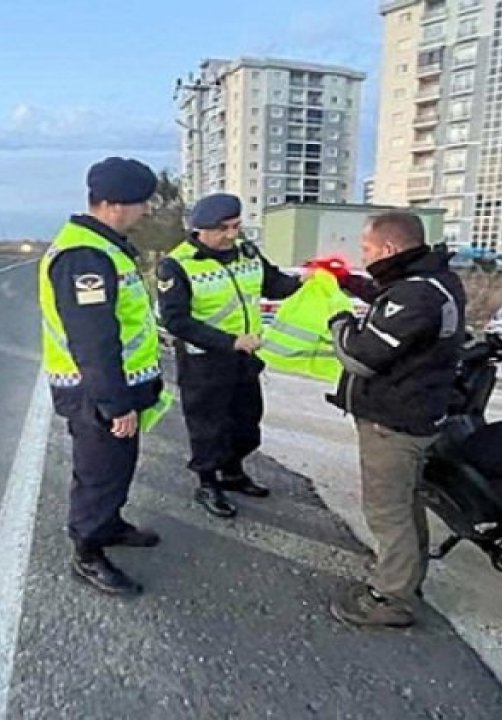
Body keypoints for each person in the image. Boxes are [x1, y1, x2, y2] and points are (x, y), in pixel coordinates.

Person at [325, 210, 466, 627]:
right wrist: (349, 283)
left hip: (395, 424)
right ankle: (407, 577)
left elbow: (363, 356)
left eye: (366, 249)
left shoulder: (417, 295)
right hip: (413, 415)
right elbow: (392, 302)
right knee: (404, 504)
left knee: (387, 512)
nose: (362, 255)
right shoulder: (429, 281)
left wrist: (340, 323)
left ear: (388, 249)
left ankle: (392, 599)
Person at [39, 156, 164, 597]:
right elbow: (93, 341)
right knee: (99, 474)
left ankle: (109, 525)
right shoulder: (84, 256)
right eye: (141, 203)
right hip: (96, 393)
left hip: (114, 387)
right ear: (112, 204)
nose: (146, 211)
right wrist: (116, 404)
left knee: (117, 467)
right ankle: (88, 553)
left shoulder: (106, 246)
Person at [155, 194, 301, 518]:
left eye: (236, 226)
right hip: (205, 361)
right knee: (209, 428)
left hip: (244, 359)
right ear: (201, 230)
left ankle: (233, 472)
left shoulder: (247, 253)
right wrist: (230, 341)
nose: (232, 235)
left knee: (247, 424)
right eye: (224, 229)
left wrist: (305, 281)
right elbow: (176, 320)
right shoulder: (177, 265)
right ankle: (208, 483)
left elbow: (273, 284)